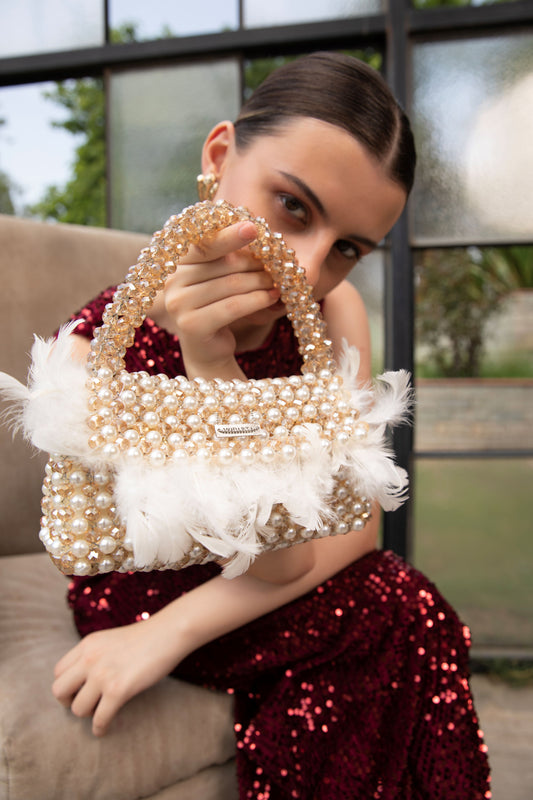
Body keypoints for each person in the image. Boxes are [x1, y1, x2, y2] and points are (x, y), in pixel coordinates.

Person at [51, 53, 491, 799]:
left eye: (347, 248)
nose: (310, 268)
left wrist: (216, 370)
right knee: (403, 613)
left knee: (406, 608)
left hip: (263, 581)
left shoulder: (331, 320)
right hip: (145, 585)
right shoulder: (99, 348)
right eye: (292, 206)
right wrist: (151, 626)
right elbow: (117, 550)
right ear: (219, 157)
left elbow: (344, 535)